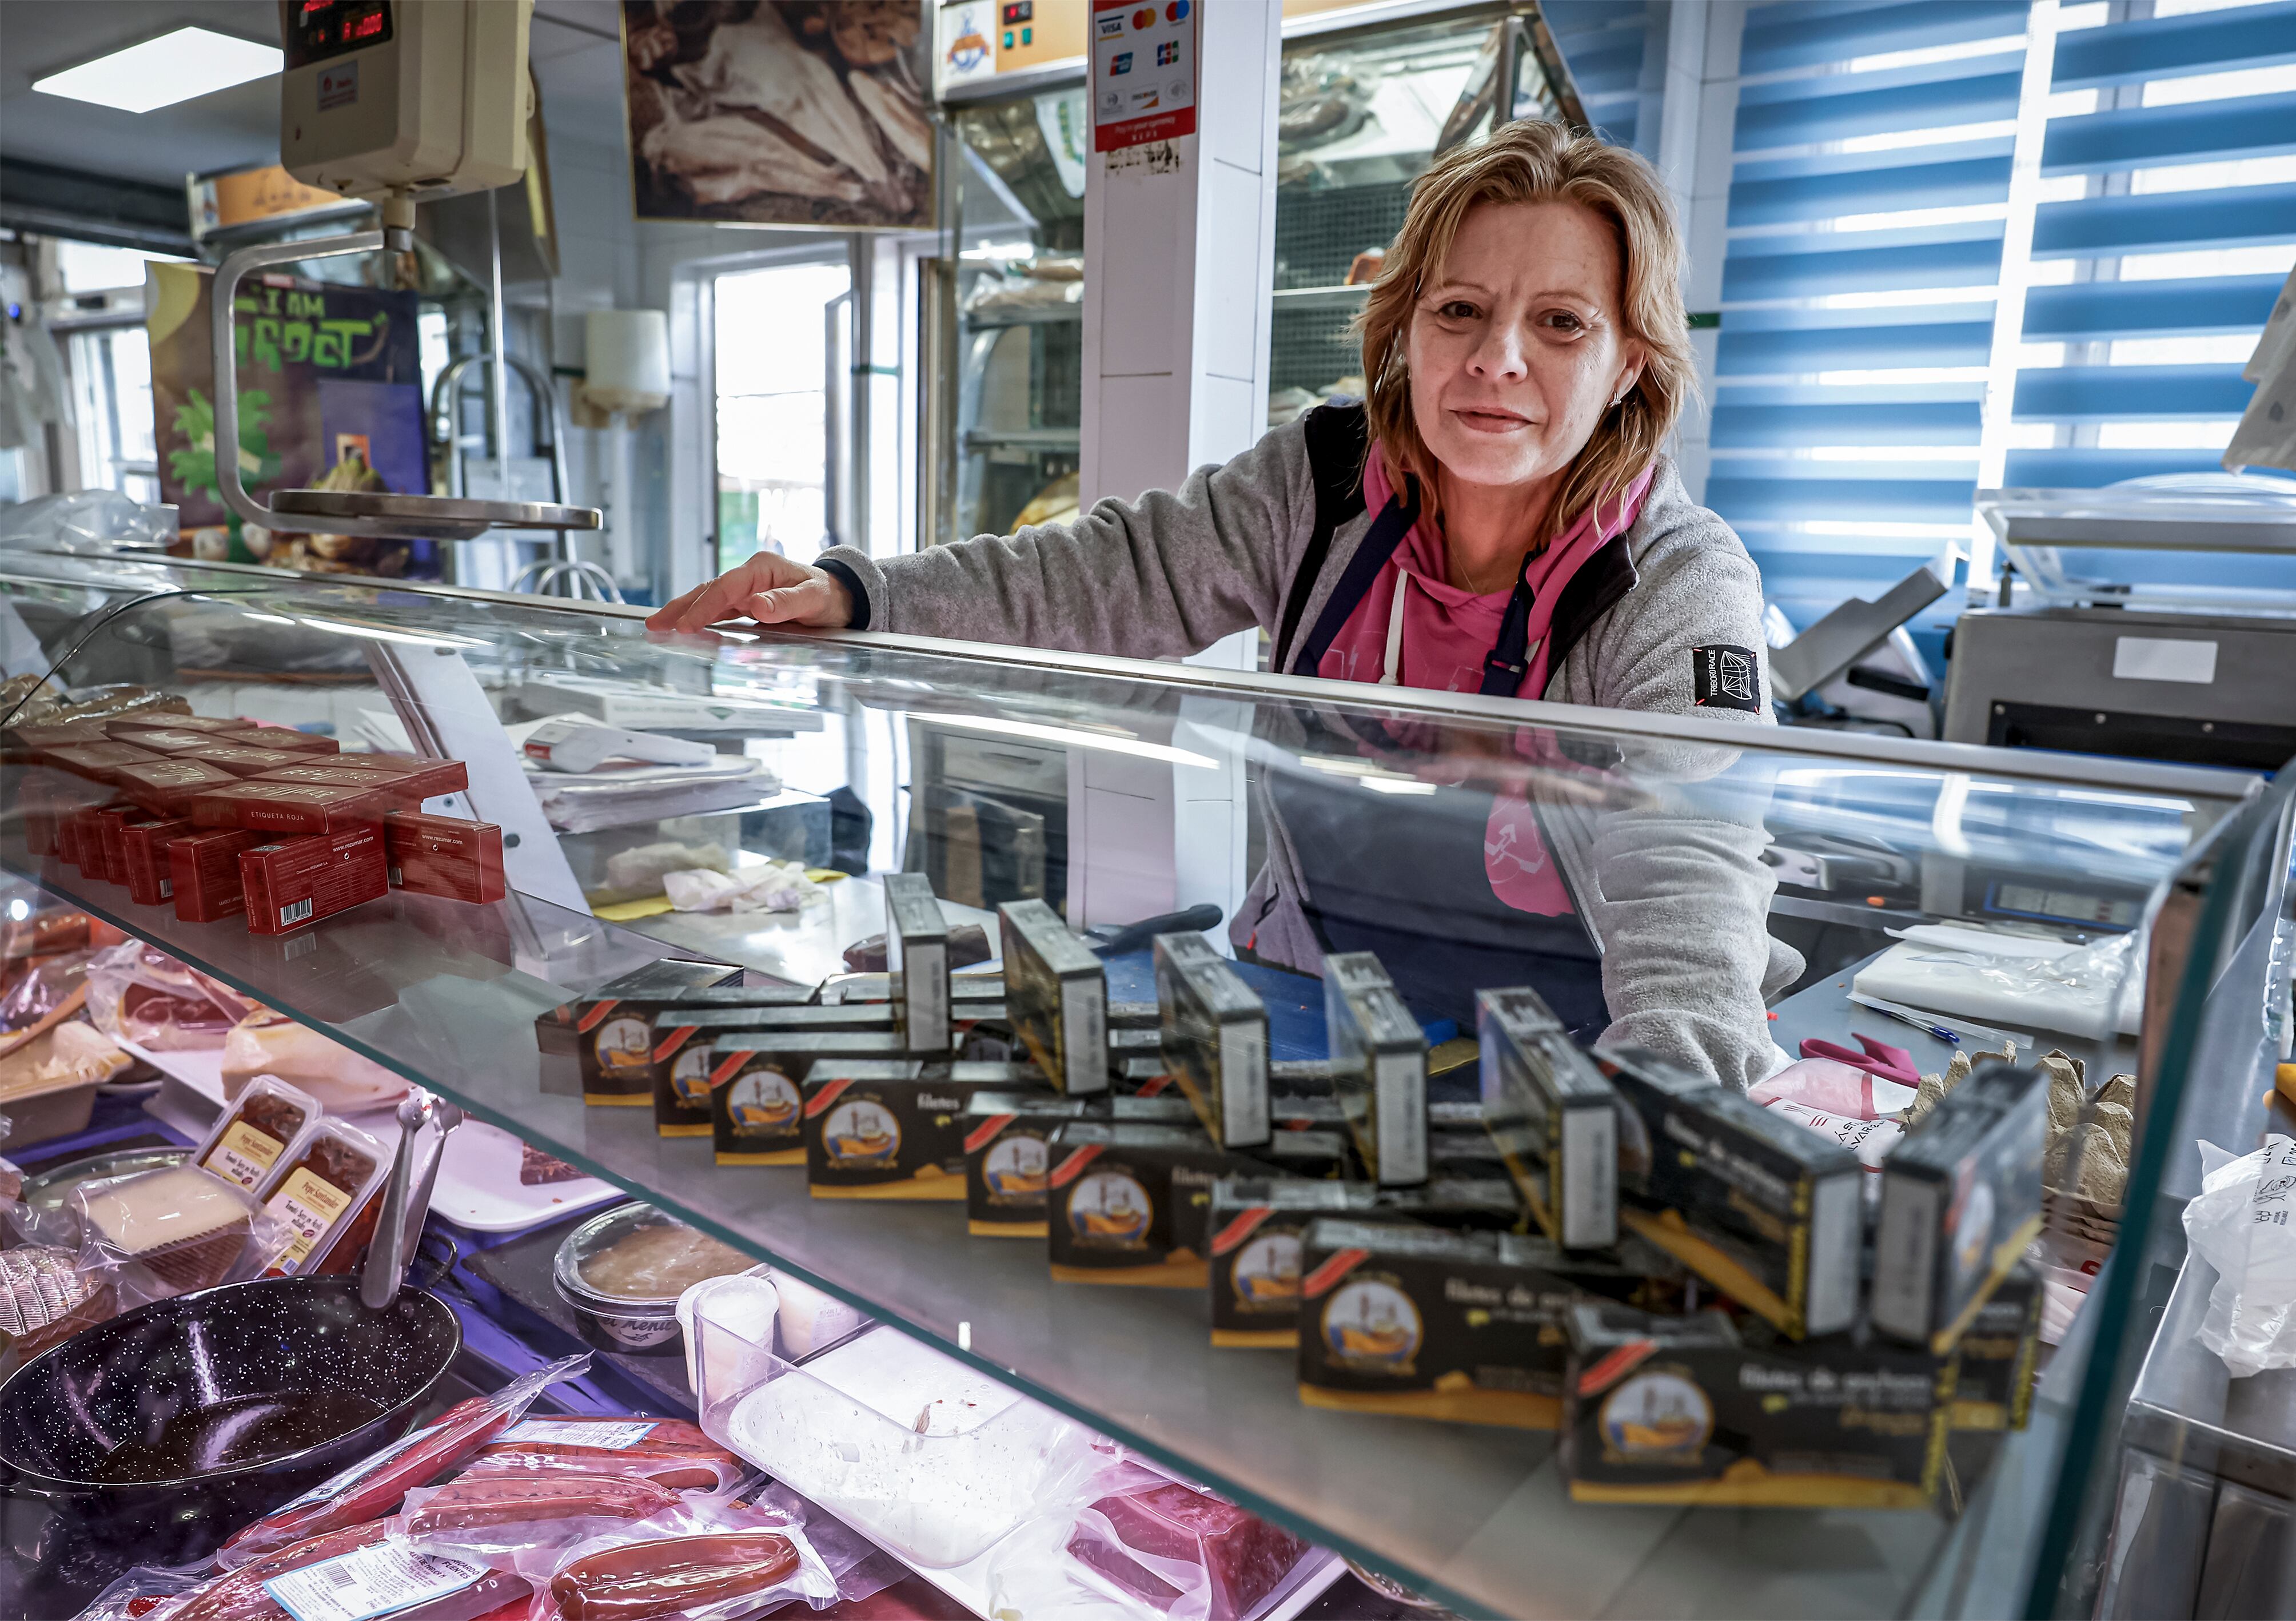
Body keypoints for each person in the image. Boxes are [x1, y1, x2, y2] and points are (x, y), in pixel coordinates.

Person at [652, 120, 1798, 1089]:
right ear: (1406, 325)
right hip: (1315, 1003)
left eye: (1560, 323)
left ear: (1632, 362)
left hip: (1585, 1051)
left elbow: (1689, 854)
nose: (1497, 359)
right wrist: (864, 593)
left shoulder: (1677, 577)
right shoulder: (1319, 482)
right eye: (1459, 309)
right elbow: (1106, 580)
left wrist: (1669, 1106)